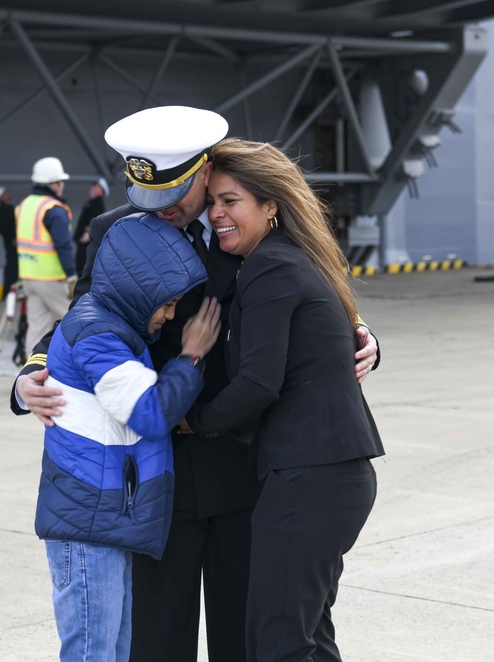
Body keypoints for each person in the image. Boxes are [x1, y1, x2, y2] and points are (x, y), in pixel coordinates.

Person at [9, 106, 380, 662]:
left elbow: (308, 306)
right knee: (156, 640)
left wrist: (362, 333)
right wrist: (29, 374)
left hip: (244, 468)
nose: (165, 212)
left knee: (246, 636)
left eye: (177, 196)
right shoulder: (116, 230)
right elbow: (84, 315)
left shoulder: (246, 226)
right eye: (150, 198)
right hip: (157, 476)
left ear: (204, 171)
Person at [184, 138, 385, 662]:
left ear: (270, 206)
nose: (218, 213)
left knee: (280, 641)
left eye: (232, 201)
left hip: (308, 475)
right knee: (307, 637)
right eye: (213, 203)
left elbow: (258, 383)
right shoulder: (297, 259)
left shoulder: (270, 267)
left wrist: (194, 421)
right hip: (329, 474)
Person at [37, 213, 220, 662]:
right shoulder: (99, 333)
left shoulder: (113, 326)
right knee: (93, 654)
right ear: (140, 291)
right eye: (168, 303)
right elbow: (150, 413)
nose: (172, 315)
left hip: (100, 521)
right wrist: (191, 358)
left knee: (114, 653)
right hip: (89, 527)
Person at [15, 157, 77, 350]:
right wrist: (72, 276)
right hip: (51, 279)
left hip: (29, 278)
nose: (63, 186)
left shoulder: (23, 205)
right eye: (61, 182)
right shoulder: (54, 209)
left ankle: (30, 371)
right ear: (53, 183)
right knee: (76, 319)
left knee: (37, 328)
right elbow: (63, 245)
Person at [73, 177, 109, 275]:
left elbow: (94, 219)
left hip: (87, 241)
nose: (92, 189)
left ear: (101, 191)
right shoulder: (91, 203)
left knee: (83, 266)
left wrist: (87, 233)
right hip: (83, 241)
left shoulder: (97, 203)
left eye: (95, 187)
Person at [0, 186, 18, 294]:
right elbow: (1, 227)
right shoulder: (5, 209)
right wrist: (12, 238)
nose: (8, 194)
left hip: (14, 242)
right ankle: (8, 292)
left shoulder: (8, 208)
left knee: (15, 268)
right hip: (13, 244)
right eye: (5, 193)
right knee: (12, 268)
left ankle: (12, 292)